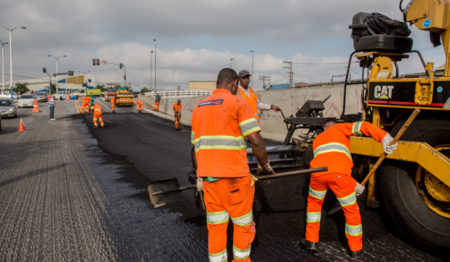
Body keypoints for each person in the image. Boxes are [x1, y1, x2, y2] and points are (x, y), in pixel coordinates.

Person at [192, 68, 274, 262]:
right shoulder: (238, 103)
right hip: (235, 181)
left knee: (216, 228)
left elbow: (196, 147)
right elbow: (255, 140)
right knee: (243, 225)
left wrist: (200, 177)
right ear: (235, 83)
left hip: (210, 182)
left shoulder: (198, 108)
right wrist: (265, 166)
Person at [303, 119, 398, 257]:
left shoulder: (318, 138)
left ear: (324, 128)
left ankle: (311, 242)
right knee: (350, 210)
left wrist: (352, 183)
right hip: (340, 176)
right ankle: (355, 248)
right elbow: (363, 126)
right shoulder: (341, 128)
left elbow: (329, 159)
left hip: (317, 174)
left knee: (314, 206)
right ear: (337, 124)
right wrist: (384, 137)